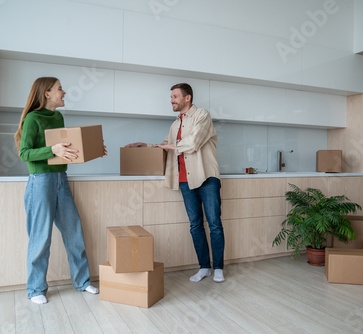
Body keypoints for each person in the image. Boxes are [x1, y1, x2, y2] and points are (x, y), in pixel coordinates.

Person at [14, 77, 104, 304]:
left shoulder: (58, 117)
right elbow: (24, 153)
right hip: (40, 181)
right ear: (46, 93)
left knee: (74, 231)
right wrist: (50, 149)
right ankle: (35, 289)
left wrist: (92, 149)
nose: (64, 92)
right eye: (60, 89)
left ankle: (82, 282)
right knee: (40, 237)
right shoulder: (33, 119)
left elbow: (64, 150)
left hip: (60, 179)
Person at [127, 83, 225, 283]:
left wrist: (169, 145)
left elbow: (194, 142)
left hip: (206, 177)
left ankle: (219, 268)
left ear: (187, 98)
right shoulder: (175, 124)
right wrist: (144, 145)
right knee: (195, 225)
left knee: (214, 224)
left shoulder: (202, 115)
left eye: (174, 96)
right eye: (171, 97)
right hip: (184, 180)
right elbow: (165, 146)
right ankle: (204, 267)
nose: (171, 100)